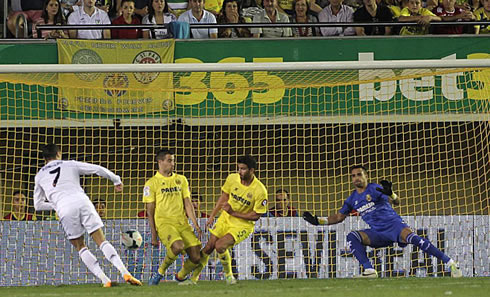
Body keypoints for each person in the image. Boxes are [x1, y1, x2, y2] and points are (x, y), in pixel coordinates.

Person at [303, 165, 462, 278]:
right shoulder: (352, 199)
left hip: (395, 226)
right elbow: (338, 217)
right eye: (353, 175)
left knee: (416, 239)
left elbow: (397, 202)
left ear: (366, 176)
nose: (356, 178)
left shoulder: (375, 189)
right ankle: (369, 270)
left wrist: (391, 194)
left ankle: (451, 263)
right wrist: (317, 221)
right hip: (377, 233)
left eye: (359, 174)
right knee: (353, 236)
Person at [33, 143, 142, 287]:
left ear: (44, 158)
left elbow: (37, 205)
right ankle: (124, 272)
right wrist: (116, 179)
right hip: (82, 201)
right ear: (59, 154)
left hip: (64, 209)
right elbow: (96, 169)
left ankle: (105, 280)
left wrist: (56, 205)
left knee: (81, 246)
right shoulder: (70, 164)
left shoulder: (39, 175)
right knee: (101, 241)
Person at [178, 155, 268, 285]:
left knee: (220, 246)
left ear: (252, 170)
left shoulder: (260, 191)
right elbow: (223, 197)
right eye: (239, 168)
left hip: (243, 225)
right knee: (208, 247)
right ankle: (193, 279)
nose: (239, 172)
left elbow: (256, 215)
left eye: (243, 169)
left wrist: (234, 212)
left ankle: (229, 277)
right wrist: (212, 215)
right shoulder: (232, 179)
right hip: (225, 218)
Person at [145, 149, 203, 285]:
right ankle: (159, 272)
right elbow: (150, 211)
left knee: (196, 257)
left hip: (182, 223)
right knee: (177, 246)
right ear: (160, 162)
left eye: (173, 160)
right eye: (169, 160)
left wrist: (196, 225)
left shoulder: (181, 180)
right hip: (165, 224)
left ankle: (180, 276)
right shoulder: (151, 183)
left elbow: (188, 204)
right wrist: (154, 235)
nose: (173, 163)